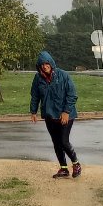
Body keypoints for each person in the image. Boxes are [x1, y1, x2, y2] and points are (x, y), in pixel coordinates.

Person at [29, 50, 81, 178]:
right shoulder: (38, 78)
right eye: (42, 65)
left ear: (51, 63)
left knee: (63, 141)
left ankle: (76, 164)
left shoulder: (63, 75)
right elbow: (35, 96)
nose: (45, 66)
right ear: (39, 66)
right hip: (49, 115)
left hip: (65, 115)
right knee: (56, 142)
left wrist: (66, 111)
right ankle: (63, 168)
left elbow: (72, 95)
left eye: (47, 63)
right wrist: (33, 111)